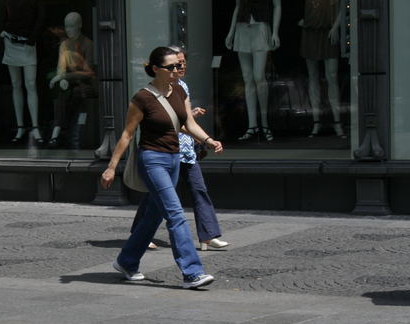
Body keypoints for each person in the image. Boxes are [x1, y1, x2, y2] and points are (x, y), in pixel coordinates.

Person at [100, 47, 222, 289]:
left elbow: (187, 122)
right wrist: (111, 167)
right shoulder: (142, 98)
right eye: (172, 67)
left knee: (153, 216)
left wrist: (208, 140)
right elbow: (127, 134)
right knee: (175, 213)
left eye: (178, 66)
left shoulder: (178, 91)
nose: (177, 70)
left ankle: (126, 261)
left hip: (174, 158)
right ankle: (192, 272)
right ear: (156, 69)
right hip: (152, 160)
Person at [171, 46, 229, 251]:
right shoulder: (161, 89)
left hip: (186, 149)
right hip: (168, 151)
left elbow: (185, 119)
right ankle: (142, 234)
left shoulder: (183, 87)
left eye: (184, 62)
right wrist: (207, 140)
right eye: (178, 63)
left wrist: (194, 118)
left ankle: (208, 235)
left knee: (199, 190)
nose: (182, 66)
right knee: (159, 197)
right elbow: (175, 123)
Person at [225, 0, 282, 141]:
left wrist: (275, 33)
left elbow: (277, 5)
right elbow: (238, 6)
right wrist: (231, 32)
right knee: (248, 79)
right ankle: (252, 125)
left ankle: (264, 123)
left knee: (259, 77)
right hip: (242, 28)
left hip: (261, 28)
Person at [47, 11, 96, 148]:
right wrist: (62, 78)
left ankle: (59, 130)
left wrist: (64, 77)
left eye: (72, 26)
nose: (69, 30)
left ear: (79, 25)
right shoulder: (64, 45)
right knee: (60, 93)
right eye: (67, 26)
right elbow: (61, 67)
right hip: (70, 83)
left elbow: (88, 72)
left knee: (75, 94)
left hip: (84, 82)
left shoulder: (88, 44)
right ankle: (59, 129)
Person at [1, 0, 45, 146]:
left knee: (30, 83)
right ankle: (20, 126)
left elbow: (41, 18)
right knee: (16, 84)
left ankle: (35, 126)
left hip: (28, 42)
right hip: (10, 39)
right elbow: (6, 15)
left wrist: (32, 39)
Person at [300, 0, 346, 139]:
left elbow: (343, 7)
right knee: (313, 75)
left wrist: (336, 26)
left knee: (332, 75)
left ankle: (337, 121)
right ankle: (316, 121)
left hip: (328, 31)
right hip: (310, 30)